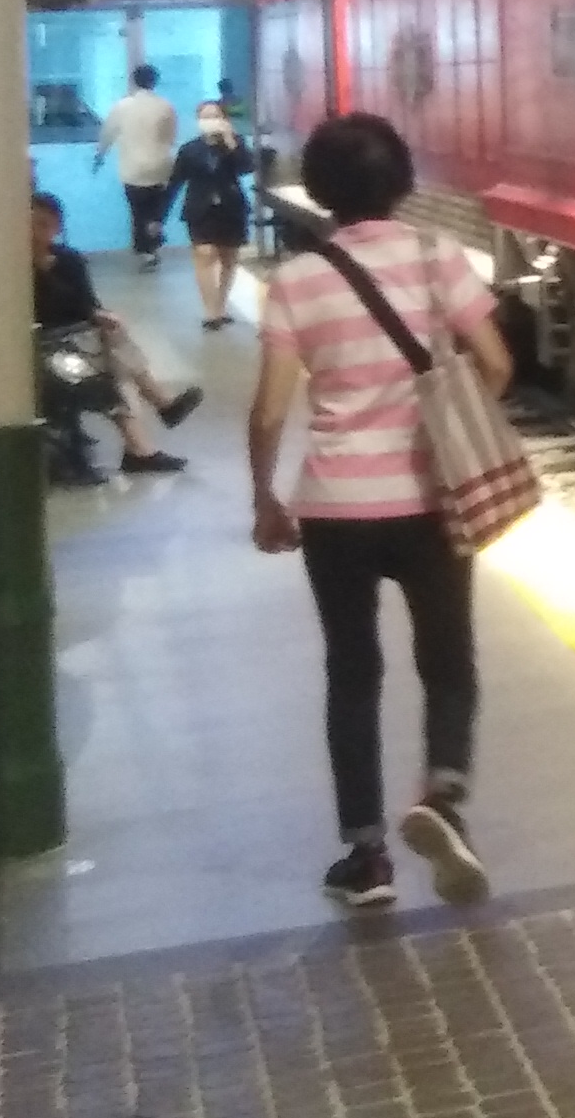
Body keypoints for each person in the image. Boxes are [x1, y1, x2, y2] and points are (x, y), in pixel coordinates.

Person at [248, 111, 509, 910]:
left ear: (320, 189)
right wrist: (447, 427)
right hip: (431, 499)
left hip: (336, 509)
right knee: (448, 658)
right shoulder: (437, 257)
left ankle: (366, 861)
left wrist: (265, 499)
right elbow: (496, 364)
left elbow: (269, 410)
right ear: (401, 181)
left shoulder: (297, 280)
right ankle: (443, 795)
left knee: (353, 672)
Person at [30, 193, 194, 472]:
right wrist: (43, 273)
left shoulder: (68, 260)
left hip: (81, 336)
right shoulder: (15, 269)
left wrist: (99, 315)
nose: (38, 232)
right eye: (34, 224)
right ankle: (156, 409)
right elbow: (41, 310)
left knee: (112, 349)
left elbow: (86, 303)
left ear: (57, 227)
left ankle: (143, 442)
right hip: (47, 341)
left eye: (46, 225)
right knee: (110, 367)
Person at [166, 101, 256, 329]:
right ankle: (210, 311)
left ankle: (221, 304)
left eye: (215, 116)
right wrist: (159, 216)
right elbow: (175, 181)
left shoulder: (235, 144)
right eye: (205, 117)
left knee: (229, 258)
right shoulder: (189, 149)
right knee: (204, 253)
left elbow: (247, 167)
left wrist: (230, 142)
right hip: (200, 208)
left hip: (231, 208)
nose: (210, 122)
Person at [93, 63, 181, 264]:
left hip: (132, 168)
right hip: (160, 165)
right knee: (156, 207)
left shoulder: (122, 106)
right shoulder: (165, 106)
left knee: (138, 210)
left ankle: (145, 250)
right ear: (155, 81)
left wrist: (100, 155)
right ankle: (154, 232)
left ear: (133, 81)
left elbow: (107, 134)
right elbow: (171, 138)